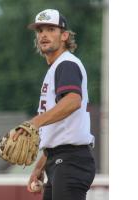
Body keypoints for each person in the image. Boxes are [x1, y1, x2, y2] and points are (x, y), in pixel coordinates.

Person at [12, 9, 95, 200]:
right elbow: (60, 130)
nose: (44, 35)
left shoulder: (66, 64)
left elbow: (73, 100)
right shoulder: (56, 68)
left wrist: (34, 122)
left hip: (71, 160)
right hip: (59, 159)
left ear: (64, 36)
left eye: (51, 29)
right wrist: (40, 166)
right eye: (40, 31)